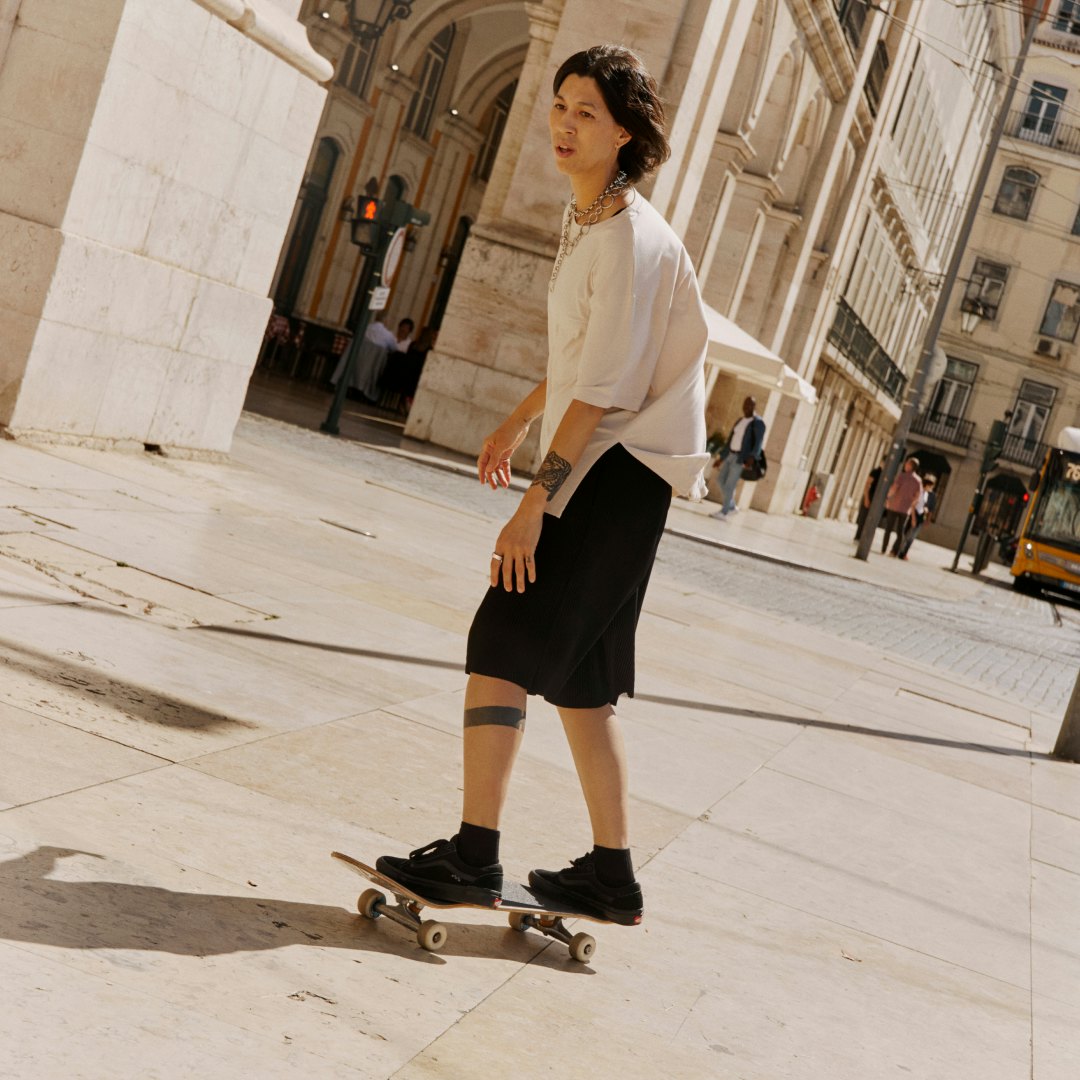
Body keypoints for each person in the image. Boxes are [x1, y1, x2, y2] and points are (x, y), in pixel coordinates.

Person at [375, 45, 709, 925]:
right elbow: (583, 360)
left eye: (586, 112)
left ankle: (473, 855)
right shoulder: (595, 223)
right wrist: (520, 415)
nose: (563, 123)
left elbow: (602, 394)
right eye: (559, 105)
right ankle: (611, 876)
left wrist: (534, 506)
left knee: (501, 637)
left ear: (625, 131)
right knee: (583, 685)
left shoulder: (629, 239)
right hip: (619, 469)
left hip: (618, 471)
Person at [331, 316, 413, 402]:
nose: (403, 329)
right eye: (402, 327)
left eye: (406, 328)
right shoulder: (390, 336)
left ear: (409, 331)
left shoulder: (408, 344)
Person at [709, 396, 766, 519]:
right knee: (720, 480)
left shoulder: (757, 422)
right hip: (730, 454)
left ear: (754, 407)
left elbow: (758, 442)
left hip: (741, 458)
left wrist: (751, 457)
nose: (747, 407)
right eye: (746, 404)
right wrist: (721, 458)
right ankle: (732, 506)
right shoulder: (740, 420)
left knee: (730, 485)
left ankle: (724, 512)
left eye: (750, 405)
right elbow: (730, 440)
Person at [882, 456, 923, 556]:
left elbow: (894, 488)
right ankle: (895, 551)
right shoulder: (918, 480)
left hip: (894, 505)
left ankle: (883, 549)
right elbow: (918, 497)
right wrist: (911, 504)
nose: (905, 465)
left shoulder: (902, 476)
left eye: (907, 463)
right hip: (905, 509)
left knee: (888, 529)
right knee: (900, 531)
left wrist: (887, 497)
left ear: (910, 466)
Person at [896, 474, 936, 559]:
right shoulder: (919, 492)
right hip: (914, 515)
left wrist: (926, 511)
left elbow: (926, 506)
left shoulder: (927, 494)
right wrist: (913, 518)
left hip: (921, 516)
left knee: (912, 537)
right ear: (927, 484)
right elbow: (913, 505)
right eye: (930, 486)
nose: (931, 488)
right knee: (906, 535)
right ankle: (899, 551)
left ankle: (904, 553)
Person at [854, 458, 885, 541]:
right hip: (870, 496)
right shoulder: (875, 472)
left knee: (873, 521)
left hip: (878, 499)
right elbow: (867, 485)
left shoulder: (887, 475)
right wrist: (867, 498)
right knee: (863, 518)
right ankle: (858, 537)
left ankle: (866, 538)